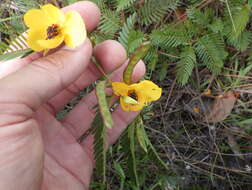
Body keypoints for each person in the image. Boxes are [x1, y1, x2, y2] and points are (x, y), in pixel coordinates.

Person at [0, 1, 145, 189]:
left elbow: (76, 39)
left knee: (114, 59)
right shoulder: (51, 35)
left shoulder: (71, 28)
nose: (51, 31)